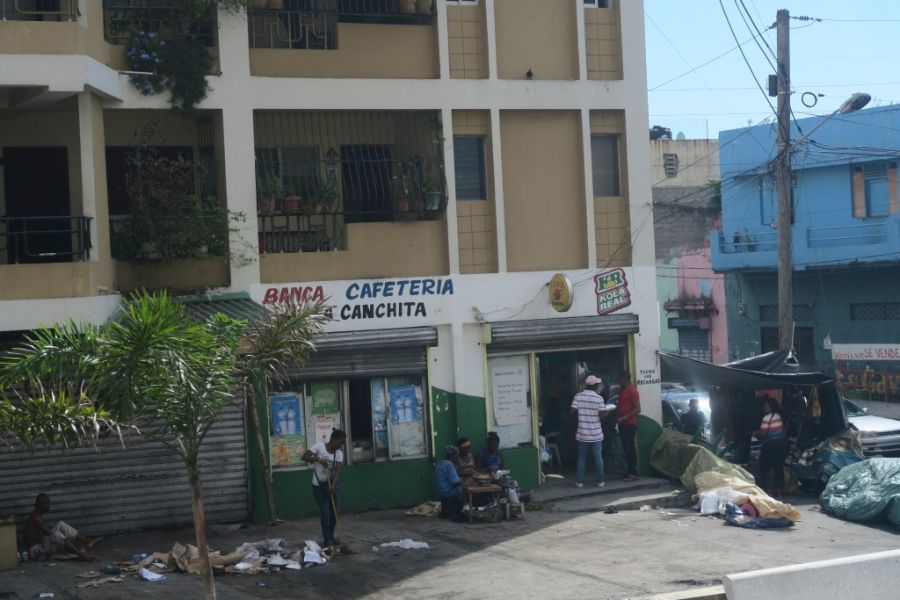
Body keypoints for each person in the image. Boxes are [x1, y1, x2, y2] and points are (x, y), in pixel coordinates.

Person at [302, 429, 346, 547]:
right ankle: (327, 540)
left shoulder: (339, 453)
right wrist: (317, 459)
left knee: (335, 513)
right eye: (340, 442)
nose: (341, 445)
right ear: (334, 440)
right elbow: (304, 457)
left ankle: (331, 536)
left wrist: (333, 485)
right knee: (326, 513)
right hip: (319, 486)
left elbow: (338, 470)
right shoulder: (319, 447)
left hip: (332, 484)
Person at [25, 494, 101, 562]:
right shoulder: (36, 518)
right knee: (56, 534)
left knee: (61, 524)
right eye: (48, 504)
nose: (49, 506)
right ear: (42, 505)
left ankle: (87, 541)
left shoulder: (36, 515)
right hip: (36, 553)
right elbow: (48, 533)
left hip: (40, 549)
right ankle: (82, 555)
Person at [570, 375, 614, 488]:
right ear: (595, 386)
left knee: (581, 458)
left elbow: (572, 412)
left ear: (587, 385)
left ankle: (579, 482)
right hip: (596, 434)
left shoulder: (578, 396)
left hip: (582, 434)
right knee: (598, 457)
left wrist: (581, 415)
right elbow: (602, 416)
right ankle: (600, 481)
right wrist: (608, 412)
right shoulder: (599, 399)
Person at [755, 397, 788, 497]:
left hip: (770, 445)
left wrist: (756, 434)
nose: (763, 407)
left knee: (764, 467)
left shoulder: (767, 418)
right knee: (778, 467)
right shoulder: (779, 416)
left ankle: (768, 490)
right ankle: (779, 491)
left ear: (770, 407)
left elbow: (763, 434)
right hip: (782, 444)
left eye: (765, 405)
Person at [616, 371, 642, 481]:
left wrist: (624, 417)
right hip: (623, 424)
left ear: (625, 379)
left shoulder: (632, 391)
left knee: (629, 448)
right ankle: (629, 471)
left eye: (620, 379)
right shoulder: (623, 390)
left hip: (629, 424)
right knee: (626, 448)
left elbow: (638, 409)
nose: (619, 381)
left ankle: (633, 472)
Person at [435, 445, 466, 521]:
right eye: (457, 456)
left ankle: (447, 511)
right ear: (453, 456)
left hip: (441, 491)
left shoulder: (441, 463)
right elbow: (455, 482)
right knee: (462, 490)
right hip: (448, 491)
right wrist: (465, 483)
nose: (457, 458)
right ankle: (458, 511)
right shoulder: (449, 464)